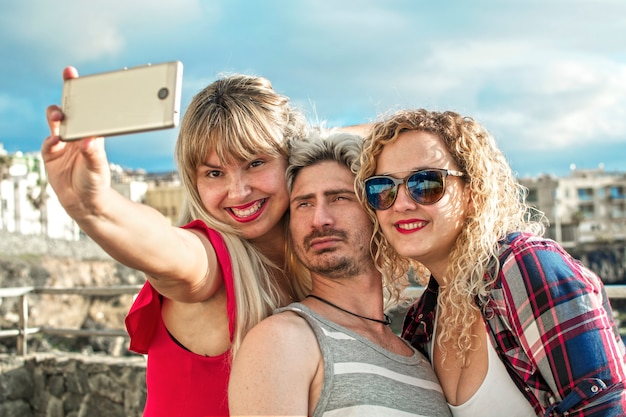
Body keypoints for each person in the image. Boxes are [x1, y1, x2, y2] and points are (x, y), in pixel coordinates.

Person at [42, 67, 311, 417]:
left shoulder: (305, 262)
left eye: (255, 162)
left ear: (292, 160)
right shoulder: (209, 259)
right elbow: (170, 249)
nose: (238, 190)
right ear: (193, 180)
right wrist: (95, 206)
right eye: (214, 173)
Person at [356, 108, 626, 417]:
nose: (402, 203)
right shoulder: (423, 322)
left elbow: (608, 407)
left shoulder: (523, 267)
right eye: (383, 188)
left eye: (426, 183)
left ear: (472, 193)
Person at [229, 129, 451, 417]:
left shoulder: (421, 357)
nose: (319, 219)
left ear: (378, 210)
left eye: (339, 198)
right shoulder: (284, 340)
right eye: (304, 204)